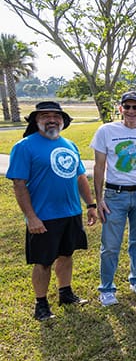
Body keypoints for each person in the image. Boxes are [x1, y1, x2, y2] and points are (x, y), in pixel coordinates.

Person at [7, 101, 98, 321]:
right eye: (45, 116)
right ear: (36, 121)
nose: (51, 119)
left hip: (71, 212)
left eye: (56, 116)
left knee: (67, 255)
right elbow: (19, 184)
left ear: (63, 121)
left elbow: (80, 178)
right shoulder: (25, 147)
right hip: (43, 216)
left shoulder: (70, 145)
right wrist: (31, 217)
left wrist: (90, 204)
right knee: (44, 261)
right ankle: (41, 305)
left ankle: (65, 293)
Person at [91, 91, 136, 306]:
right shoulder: (106, 131)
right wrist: (99, 198)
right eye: (127, 107)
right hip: (115, 195)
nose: (131, 111)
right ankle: (107, 289)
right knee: (111, 245)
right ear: (120, 109)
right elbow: (99, 166)